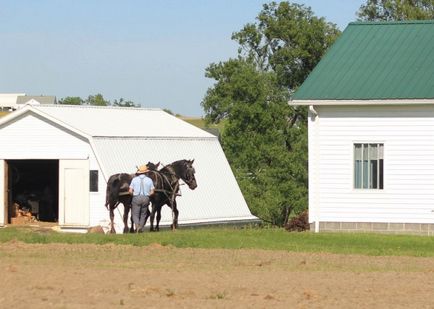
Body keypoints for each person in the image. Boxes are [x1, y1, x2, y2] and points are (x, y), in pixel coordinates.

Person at [129, 164, 155, 233]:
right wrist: (148, 195)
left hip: (136, 197)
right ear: (146, 172)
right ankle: (141, 227)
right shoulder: (149, 180)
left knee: (135, 214)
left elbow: (130, 191)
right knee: (144, 214)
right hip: (146, 198)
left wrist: (133, 195)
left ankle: (137, 226)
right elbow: (152, 191)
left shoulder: (134, 179)